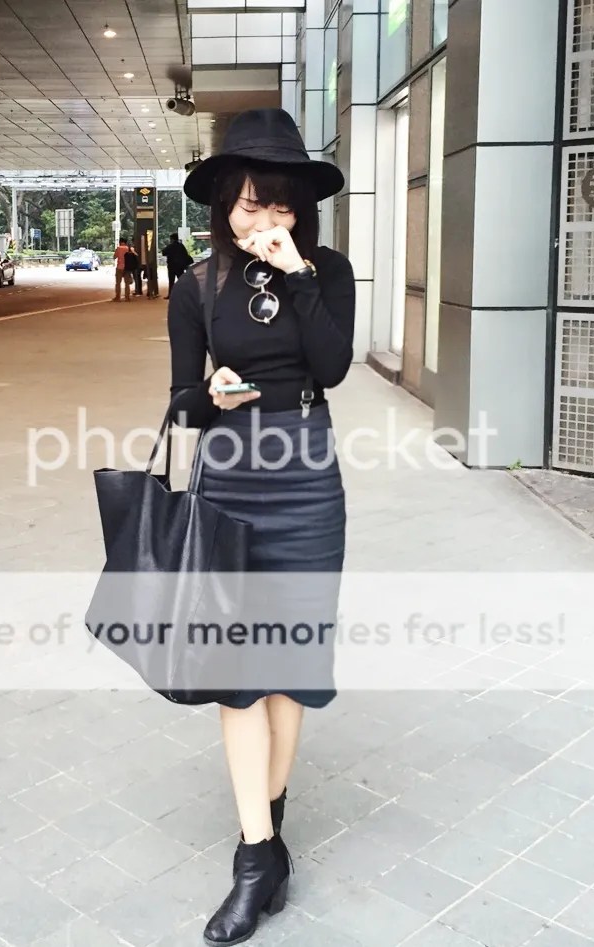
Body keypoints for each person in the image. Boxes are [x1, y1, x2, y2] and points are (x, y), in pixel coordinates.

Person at [166, 108, 354, 945]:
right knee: (238, 670)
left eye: (279, 204)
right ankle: (255, 854)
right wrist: (211, 396)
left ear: (300, 209)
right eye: (249, 204)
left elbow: (333, 367)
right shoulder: (198, 285)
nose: (264, 219)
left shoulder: (328, 270)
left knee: (292, 665)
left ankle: (269, 830)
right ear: (223, 206)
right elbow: (182, 405)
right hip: (231, 479)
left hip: (307, 475)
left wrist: (299, 274)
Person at [162, 232, 194, 299]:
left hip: (171, 266)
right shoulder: (181, 246)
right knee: (181, 280)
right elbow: (185, 255)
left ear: (172, 239)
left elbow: (163, 252)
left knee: (171, 281)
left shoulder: (170, 246)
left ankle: (170, 295)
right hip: (180, 266)